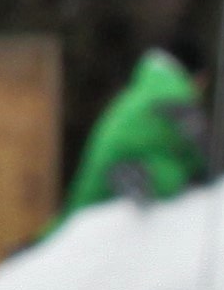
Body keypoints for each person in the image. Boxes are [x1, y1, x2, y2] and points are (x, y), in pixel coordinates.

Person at [54, 39, 210, 224]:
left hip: (104, 170)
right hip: (126, 166)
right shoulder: (174, 92)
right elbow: (201, 147)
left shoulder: (140, 93)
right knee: (172, 177)